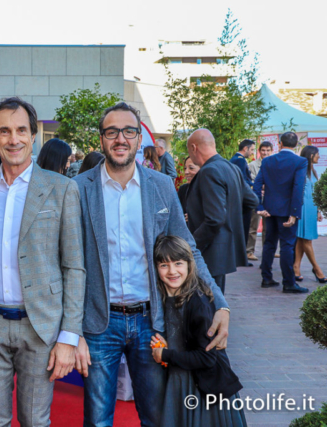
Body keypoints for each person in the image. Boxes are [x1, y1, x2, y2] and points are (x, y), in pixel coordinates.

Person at [73, 103, 229, 427]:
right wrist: (72, 331)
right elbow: (68, 263)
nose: (120, 139)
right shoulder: (77, 188)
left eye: (128, 131)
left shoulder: (160, 186)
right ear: (101, 139)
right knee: (97, 421)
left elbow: (189, 250)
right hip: (98, 323)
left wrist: (221, 303)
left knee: (158, 418)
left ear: (138, 137)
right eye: (112, 132)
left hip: (152, 322)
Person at [0, 97, 85, 427]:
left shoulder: (62, 189)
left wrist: (69, 336)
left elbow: (74, 267)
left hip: (40, 326)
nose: (13, 139)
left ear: (33, 135)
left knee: (35, 421)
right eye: (4, 131)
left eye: (21, 130)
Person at [151, 235, 246, 427]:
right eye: (164, 265)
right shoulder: (167, 295)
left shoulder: (198, 303)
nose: (172, 271)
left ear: (189, 264)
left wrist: (165, 354)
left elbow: (206, 358)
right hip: (184, 380)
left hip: (203, 390)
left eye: (178, 263)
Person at [185, 129, 259, 294]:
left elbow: (215, 219)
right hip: (221, 249)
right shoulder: (231, 167)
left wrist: (191, 245)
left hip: (209, 251)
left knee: (208, 303)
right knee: (215, 300)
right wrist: (231, 222)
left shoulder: (209, 171)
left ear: (194, 148)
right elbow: (252, 201)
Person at [253, 132, 309, 293]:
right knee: (287, 246)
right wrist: (294, 212)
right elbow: (298, 187)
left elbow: (257, 185)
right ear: (296, 145)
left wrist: (259, 207)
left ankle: (266, 278)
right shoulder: (300, 161)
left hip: (269, 209)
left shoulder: (267, 160)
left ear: (279, 143)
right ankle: (289, 283)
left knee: (269, 243)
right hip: (287, 210)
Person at [294, 145, 326, 283]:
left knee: (302, 239)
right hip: (302, 208)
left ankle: (296, 266)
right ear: (311, 155)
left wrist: (318, 211)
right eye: (317, 154)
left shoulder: (312, 171)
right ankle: (317, 269)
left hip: (311, 209)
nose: (319, 156)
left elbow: (314, 193)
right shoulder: (301, 170)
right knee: (306, 240)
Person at [246, 141, 274, 261]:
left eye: (268, 150)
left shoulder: (274, 164)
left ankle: (267, 251)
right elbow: (249, 182)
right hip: (256, 200)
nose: (265, 153)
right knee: (253, 227)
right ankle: (249, 251)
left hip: (270, 200)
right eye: (263, 150)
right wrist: (261, 186)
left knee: (268, 228)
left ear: (271, 151)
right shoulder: (252, 165)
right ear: (259, 151)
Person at [230, 139, 256, 252]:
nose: (252, 153)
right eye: (252, 150)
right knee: (243, 228)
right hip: (242, 200)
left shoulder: (235, 159)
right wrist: (254, 186)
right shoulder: (240, 160)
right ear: (245, 148)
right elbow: (242, 180)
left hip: (237, 200)